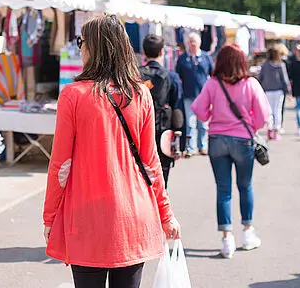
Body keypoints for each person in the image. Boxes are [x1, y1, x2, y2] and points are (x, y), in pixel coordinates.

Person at [43, 15, 181, 288]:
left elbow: (61, 165)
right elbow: (151, 163)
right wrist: (166, 213)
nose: (80, 48)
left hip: (87, 216)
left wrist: (50, 216)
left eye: (82, 42)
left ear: (93, 48)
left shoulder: (74, 95)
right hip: (133, 214)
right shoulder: (140, 94)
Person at [191, 44, 271, 259]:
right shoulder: (251, 84)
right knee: (245, 186)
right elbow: (264, 114)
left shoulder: (212, 84)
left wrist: (211, 116)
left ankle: (227, 240)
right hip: (243, 140)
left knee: (223, 190)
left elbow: (198, 110)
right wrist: (251, 126)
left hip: (217, 139)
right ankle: (247, 233)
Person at [140, 34, 183, 188]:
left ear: (144, 53)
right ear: (162, 52)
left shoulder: (133, 75)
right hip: (162, 133)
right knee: (161, 181)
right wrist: (180, 141)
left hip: (137, 133)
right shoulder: (171, 77)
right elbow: (178, 109)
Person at [176, 31, 214, 156]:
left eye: (195, 42)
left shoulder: (206, 57)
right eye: (190, 42)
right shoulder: (182, 59)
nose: (192, 44)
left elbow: (212, 74)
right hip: (188, 95)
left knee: (203, 123)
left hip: (203, 96)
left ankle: (203, 146)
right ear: (187, 43)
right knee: (190, 123)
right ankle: (190, 147)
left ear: (199, 43)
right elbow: (178, 75)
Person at [258, 44, 290, 141]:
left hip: (267, 90)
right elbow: (285, 80)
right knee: (277, 111)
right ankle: (276, 131)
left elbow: (260, 77)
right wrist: (288, 91)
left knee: (269, 111)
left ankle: (269, 128)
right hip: (278, 91)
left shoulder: (264, 65)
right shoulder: (281, 65)